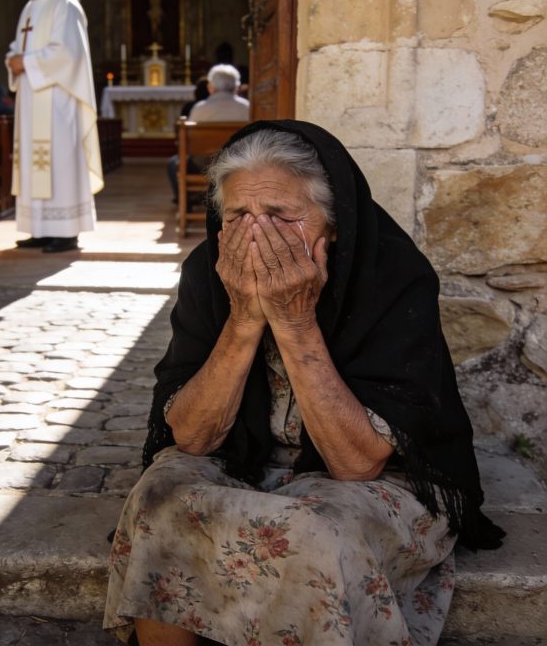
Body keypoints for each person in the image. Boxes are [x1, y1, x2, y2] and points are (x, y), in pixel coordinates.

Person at [105, 120, 504, 646]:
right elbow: (194, 437)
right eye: (239, 216)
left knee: (313, 528)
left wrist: (294, 323)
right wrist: (244, 318)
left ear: (332, 225)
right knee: (160, 495)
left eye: (280, 215)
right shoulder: (210, 271)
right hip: (246, 456)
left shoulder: (391, 277)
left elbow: (357, 463)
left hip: (376, 475)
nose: (257, 235)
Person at [6, 0, 103, 253]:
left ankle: (66, 231)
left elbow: (68, 53)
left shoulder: (64, 3)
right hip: (32, 98)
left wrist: (25, 62)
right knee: (34, 162)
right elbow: (18, 47)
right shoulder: (31, 6)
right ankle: (42, 228)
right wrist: (14, 59)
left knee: (59, 160)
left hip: (58, 101)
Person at [167, 65, 249, 204]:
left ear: (210, 87)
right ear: (237, 86)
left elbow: (190, 140)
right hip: (238, 163)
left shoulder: (199, 109)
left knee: (173, 163)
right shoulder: (247, 107)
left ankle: (188, 202)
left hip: (203, 164)